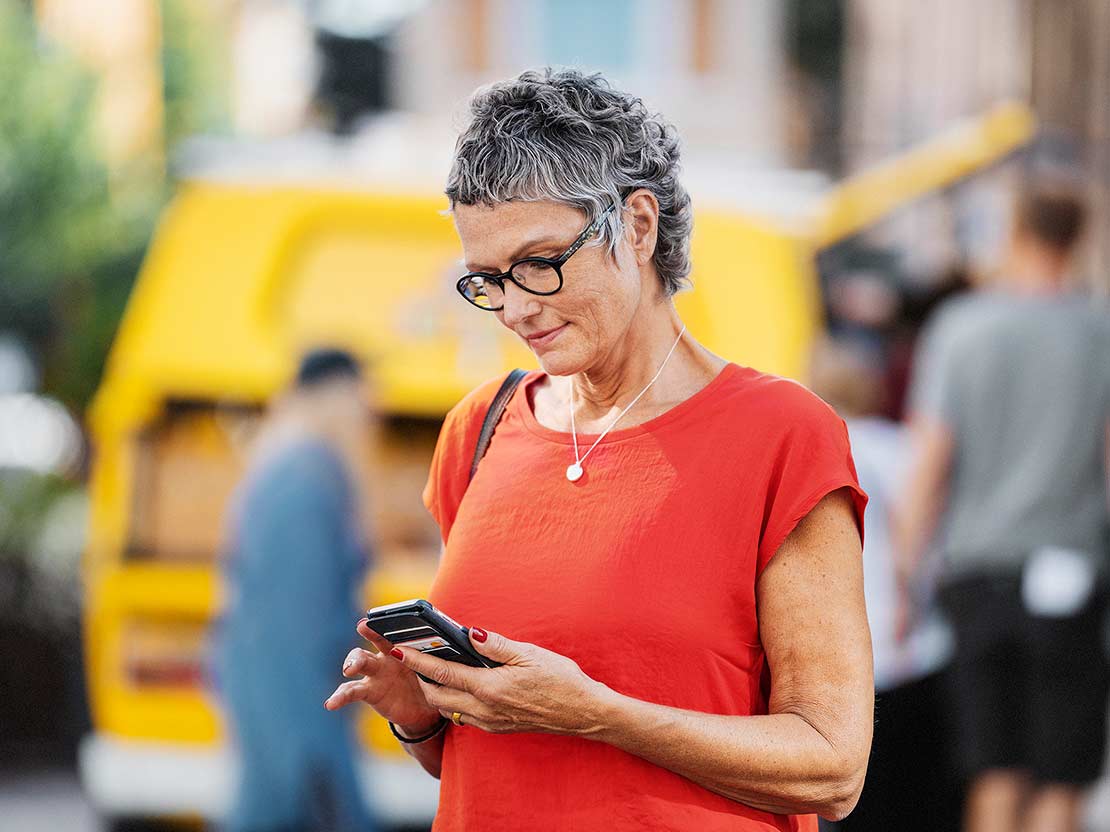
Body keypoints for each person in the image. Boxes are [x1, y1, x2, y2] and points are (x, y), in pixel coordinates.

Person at [326, 68, 873, 831]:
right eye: (487, 279)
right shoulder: (478, 431)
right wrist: (421, 716)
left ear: (638, 226)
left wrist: (600, 714)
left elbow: (833, 766)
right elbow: (493, 762)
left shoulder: (783, 436)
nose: (514, 307)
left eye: (539, 262)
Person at [895, 184, 1110, 832]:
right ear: (1076, 238)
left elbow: (930, 460)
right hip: (1072, 569)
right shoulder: (1098, 330)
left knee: (993, 771)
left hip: (975, 572)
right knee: (1061, 776)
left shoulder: (962, 327)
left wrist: (906, 570)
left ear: (1015, 231)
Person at [214, 349, 377, 832]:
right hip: (299, 696)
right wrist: (310, 745)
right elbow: (297, 624)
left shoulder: (283, 467)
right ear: (337, 398)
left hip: (280, 689)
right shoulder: (305, 479)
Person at [809, 337, 960, 832]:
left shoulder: (810, 449)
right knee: (915, 793)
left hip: (838, 653)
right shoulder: (899, 448)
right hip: (908, 643)